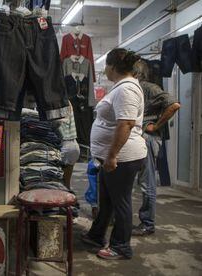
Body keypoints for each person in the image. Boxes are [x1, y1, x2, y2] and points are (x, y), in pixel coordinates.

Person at [81, 48, 147, 260]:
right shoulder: (120, 88)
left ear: (112, 67)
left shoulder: (126, 89)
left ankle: (121, 247)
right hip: (112, 157)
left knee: (120, 202)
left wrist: (112, 156)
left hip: (122, 158)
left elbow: (126, 124)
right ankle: (97, 234)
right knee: (107, 200)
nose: (104, 70)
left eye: (105, 66)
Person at [132, 60, 180, 236]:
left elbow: (174, 104)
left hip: (148, 137)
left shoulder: (149, 87)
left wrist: (156, 125)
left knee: (147, 182)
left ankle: (147, 223)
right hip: (141, 137)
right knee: (140, 181)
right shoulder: (136, 88)